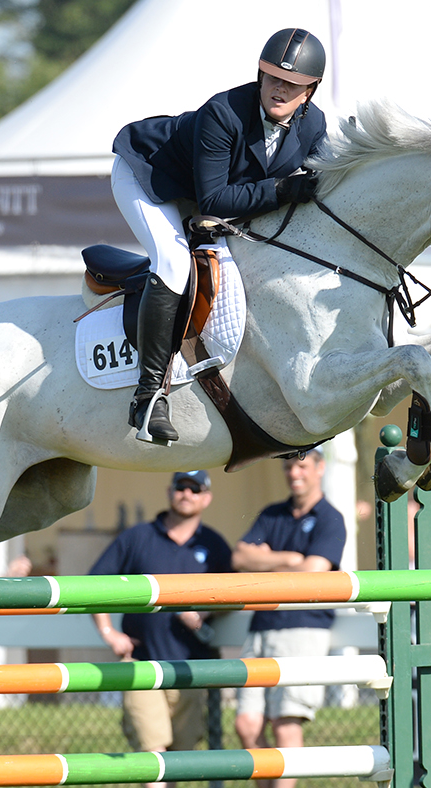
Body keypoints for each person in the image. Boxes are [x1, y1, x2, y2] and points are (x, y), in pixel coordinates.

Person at [111, 28, 329, 443]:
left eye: (293, 84)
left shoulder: (314, 125)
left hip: (204, 192)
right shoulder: (223, 112)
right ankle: (149, 397)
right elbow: (213, 199)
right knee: (174, 264)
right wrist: (282, 191)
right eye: (272, 78)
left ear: (310, 92)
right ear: (260, 75)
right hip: (150, 179)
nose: (279, 89)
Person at [89, 470, 232, 788]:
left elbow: (236, 595)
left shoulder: (214, 544)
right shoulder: (136, 537)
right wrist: (108, 632)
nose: (187, 494)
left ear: (206, 498)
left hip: (192, 669)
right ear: (169, 492)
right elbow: (93, 585)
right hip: (142, 664)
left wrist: (204, 612)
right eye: (181, 487)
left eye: (195, 489)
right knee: (154, 755)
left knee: (179, 760)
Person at [232, 448, 346, 788]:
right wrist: (291, 559)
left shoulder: (330, 518)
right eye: (288, 467)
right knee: (247, 725)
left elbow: (314, 570)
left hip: (303, 627)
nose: (294, 473)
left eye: (302, 466)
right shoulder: (272, 514)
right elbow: (239, 557)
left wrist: (267, 559)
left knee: (286, 724)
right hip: (261, 626)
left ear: (319, 468)